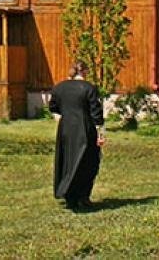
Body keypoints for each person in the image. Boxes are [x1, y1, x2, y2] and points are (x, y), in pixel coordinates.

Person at [49, 60, 105, 209]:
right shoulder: (89, 88)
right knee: (88, 162)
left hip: (65, 129)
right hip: (84, 129)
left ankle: (68, 196)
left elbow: (53, 107)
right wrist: (101, 133)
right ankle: (82, 196)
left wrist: (63, 117)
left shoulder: (59, 87)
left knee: (67, 160)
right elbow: (96, 113)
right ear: (84, 71)